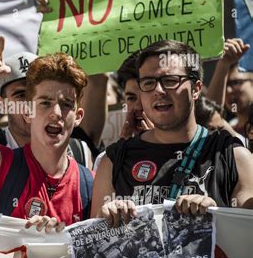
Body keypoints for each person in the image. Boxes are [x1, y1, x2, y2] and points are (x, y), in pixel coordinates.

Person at [92, 40, 253, 226]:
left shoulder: (234, 156)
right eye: (148, 82)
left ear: (196, 89)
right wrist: (106, 218)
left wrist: (215, 214)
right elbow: (92, 246)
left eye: (170, 81)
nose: (158, 91)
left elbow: (247, 233)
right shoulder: (113, 161)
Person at [0, 39, 94, 232]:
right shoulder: (4, 166)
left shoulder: (90, 183)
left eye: (66, 104)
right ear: (28, 112)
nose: (56, 112)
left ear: (78, 116)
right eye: (45, 103)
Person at [0, 15, 103, 170]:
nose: (30, 102)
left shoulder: (77, 150)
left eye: (39, 95)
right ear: (2, 104)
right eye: (21, 95)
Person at [207, 38, 252, 137]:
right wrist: (223, 64)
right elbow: (209, 115)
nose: (228, 91)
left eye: (235, 82)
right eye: (225, 85)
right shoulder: (231, 126)